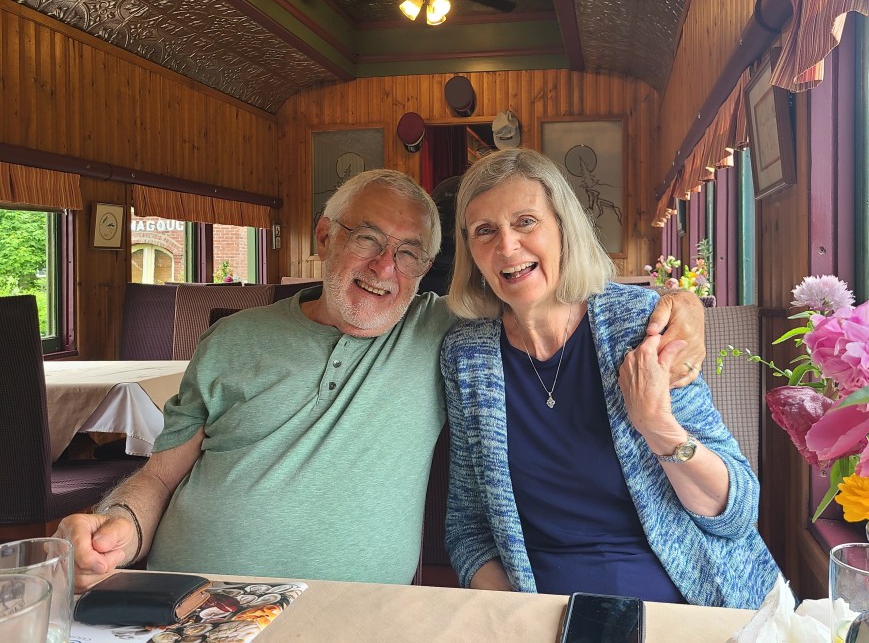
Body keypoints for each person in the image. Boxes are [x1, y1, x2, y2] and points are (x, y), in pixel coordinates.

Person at [57, 168, 707, 591]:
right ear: (324, 237)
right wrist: (116, 528)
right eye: (367, 239)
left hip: (345, 617)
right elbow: (159, 478)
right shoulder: (230, 340)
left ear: (427, 270)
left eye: (409, 254)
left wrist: (679, 305)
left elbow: (553, 294)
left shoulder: (447, 333)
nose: (383, 268)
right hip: (185, 598)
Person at [442, 149, 779, 609]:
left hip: (682, 599)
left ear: (563, 227)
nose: (506, 246)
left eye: (526, 222)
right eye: (485, 230)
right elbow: (467, 527)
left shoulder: (639, 324)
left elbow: (736, 513)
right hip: (543, 611)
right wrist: (517, 614)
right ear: (470, 251)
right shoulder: (467, 356)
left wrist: (658, 426)